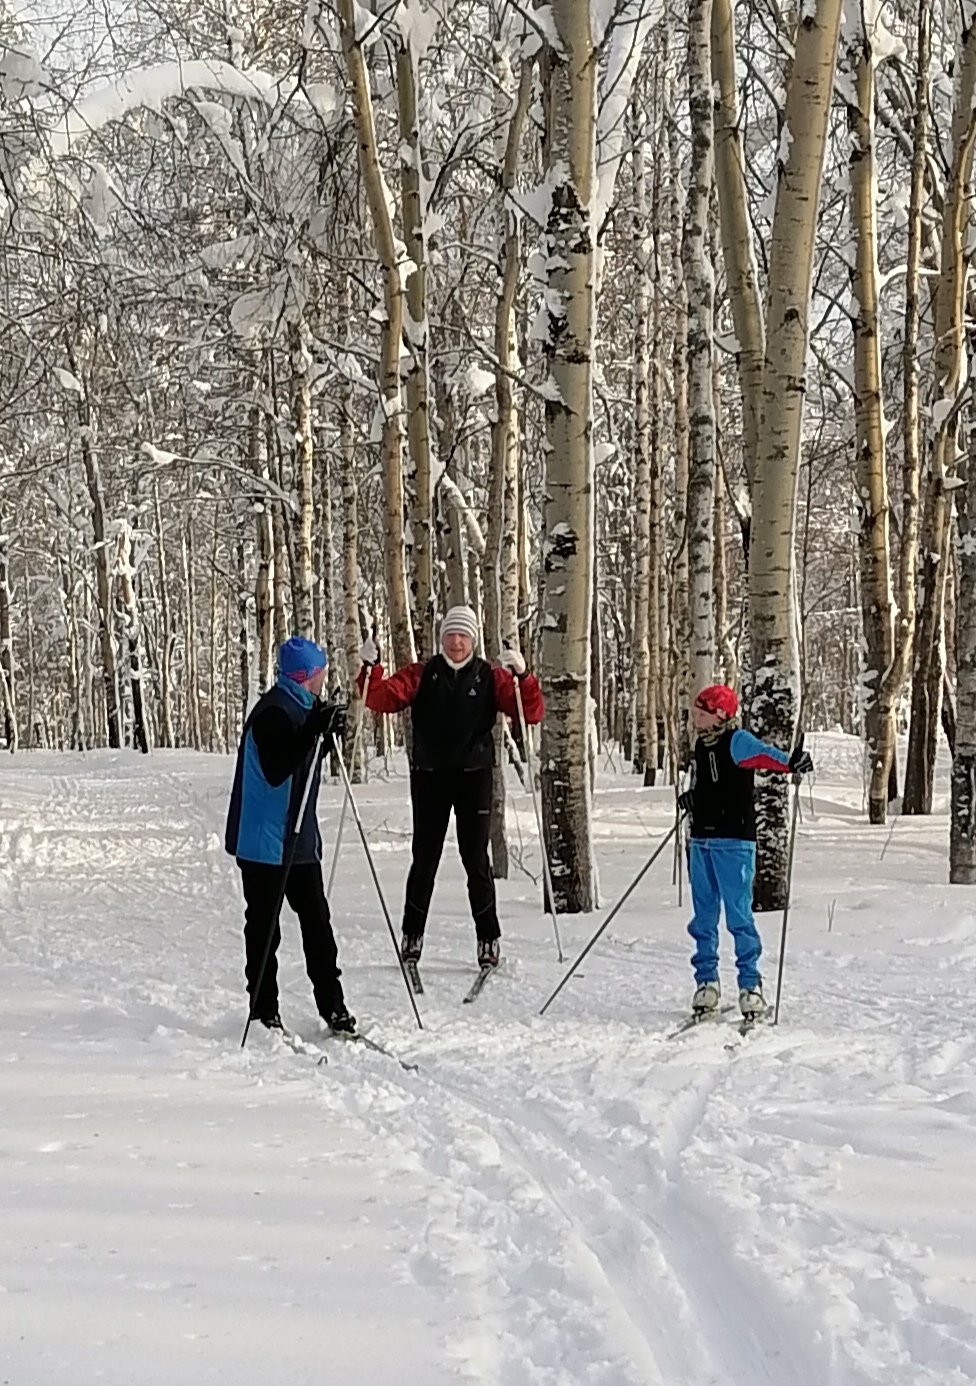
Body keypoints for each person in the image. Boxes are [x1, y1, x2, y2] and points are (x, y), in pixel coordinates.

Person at [358, 605, 544, 969]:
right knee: (424, 858)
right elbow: (379, 698)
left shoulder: (491, 676)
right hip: (430, 776)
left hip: (474, 777)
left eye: (463, 635)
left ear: (472, 640)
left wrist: (522, 676)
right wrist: (370, 668)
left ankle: (488, 939)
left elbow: (530, 712)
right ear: (441, 638)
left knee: (475, 859)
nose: (456, 642)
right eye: (450, 634)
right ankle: (412, 934)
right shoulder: (423, 673)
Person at [225, 636, 355, 1034]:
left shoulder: (304, 706)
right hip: (264, 840)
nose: (323, 680)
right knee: (265, 928)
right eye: (320, 674)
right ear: (307, 676)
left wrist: (331, 732)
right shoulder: (272, 713)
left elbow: (309, 756)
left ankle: (333, 1006)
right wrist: (314, 731)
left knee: (317, 921)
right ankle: (264, 1010)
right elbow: (279, 766)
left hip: (298, 838)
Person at [677, 684, 814, 1021]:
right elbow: (706, 786)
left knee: (739, 916)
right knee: (704, 917)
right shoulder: (700, 744)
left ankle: (750, 984)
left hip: (734, 841)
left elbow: (767, 756)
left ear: (721, 715)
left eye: (702, 711)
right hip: (702, 840)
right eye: (696, 711)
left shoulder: (736, 741)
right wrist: (691, 798)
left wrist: (791, 762)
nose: (696, 716)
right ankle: (706, 982)